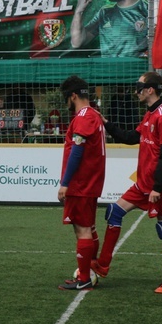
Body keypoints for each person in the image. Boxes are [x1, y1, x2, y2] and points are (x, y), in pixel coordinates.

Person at [92, 71, 162, 294]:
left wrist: (157, 188)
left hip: (158, 186)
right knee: (113, 212)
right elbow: (132, 138)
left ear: (150, 89)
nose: (136, 91)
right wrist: (106, 124)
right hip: (143, 184)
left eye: (139, 87)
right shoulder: (150, 114)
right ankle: (102, 265)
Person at [56, 76, 106, 290]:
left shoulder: (84, 117)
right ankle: (90, 268)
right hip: (90, 182)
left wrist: (65, 183)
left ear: (73, 96)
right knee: (89, 227)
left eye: (66, 98)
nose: (66, 103)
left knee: (82, 230)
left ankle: (84, 278)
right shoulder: (94, 114)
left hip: (81, 183)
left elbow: (77, 151)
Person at [71, 0, 148, 58]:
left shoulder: (149, 10)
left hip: (136, 70)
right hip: (108, 70)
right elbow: (76, 42)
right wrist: (79, 11)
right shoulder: (105, 12)